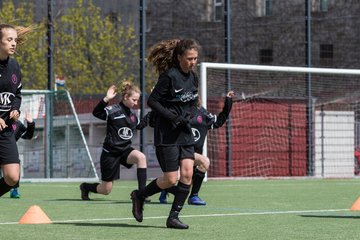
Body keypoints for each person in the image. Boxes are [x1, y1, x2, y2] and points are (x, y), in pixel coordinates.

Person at [130, 39, 200, 229]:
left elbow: (193, 102)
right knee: (170, 179)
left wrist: (189, 116)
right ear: (179, 57)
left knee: (188, 174)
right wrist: (172, 117)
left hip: (184, 133)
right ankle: (140, 195)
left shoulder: (193, 77)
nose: (193, 62)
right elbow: (152, 102)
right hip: (167, 133)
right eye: (189, 58)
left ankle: (173, 217)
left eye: (195, 58)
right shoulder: (169, 76)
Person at [158, 91, 234, 205]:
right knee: (203, 162)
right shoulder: (178, 111)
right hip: (178, 151)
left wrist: (228, 102)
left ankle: (173, 190)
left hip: (193, 154)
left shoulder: (203, 113)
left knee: (184, 180)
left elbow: (218, 122)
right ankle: (189, 195)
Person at [79, 82, 148, 201]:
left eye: (137, 100)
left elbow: (139, 125)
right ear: (126, 97)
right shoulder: (113, 110)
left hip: (125, 150)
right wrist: (106, 99)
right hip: (110, 153)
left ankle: (142, 194)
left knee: (141, 157)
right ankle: (85, 187)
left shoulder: (132, 115)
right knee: (106, 190)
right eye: (134, 100)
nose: (136, 103)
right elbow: (96, 113)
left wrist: (154, 112)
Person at [0, 24, 32, 197]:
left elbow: (17, 94)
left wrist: (15, 109)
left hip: (5, 131)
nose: (14, 43)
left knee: (12, 177)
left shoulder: (14, 66)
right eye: (9, 40)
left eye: (15, 40)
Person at [9, 111, 36, 198]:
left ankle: (14, 189)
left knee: (16, 165)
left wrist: (30, 123)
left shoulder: (18, 124)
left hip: (10, 150)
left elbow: (28, 136)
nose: (16, 115)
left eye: (18, 113)